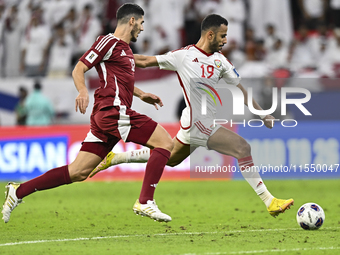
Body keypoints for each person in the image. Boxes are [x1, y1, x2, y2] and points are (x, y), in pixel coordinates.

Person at [91, 14, 294, 218]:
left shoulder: (220, 61)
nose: (226, 40)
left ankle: (115, 158)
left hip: (195, 122)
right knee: (243, 148)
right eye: (223, 36)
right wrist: (112, 56)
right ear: (210, 34)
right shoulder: (184, 55)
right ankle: (270, 201)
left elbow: (240, 89)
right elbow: (145, 61)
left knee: (170, 158)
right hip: (199, 122)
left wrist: (262, 113)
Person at [2, 3, 173, 224]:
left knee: (78, 172)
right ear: (131, 20)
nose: (142, 28)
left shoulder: (126, 50)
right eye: (141, 23)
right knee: (165, 143)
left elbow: (120, 81)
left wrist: (140, 94)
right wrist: (82, 91)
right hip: (113, 111)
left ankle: (18, 191)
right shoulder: (108, 42)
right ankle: (145, 201)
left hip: (107, 116)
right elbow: (79, 68)